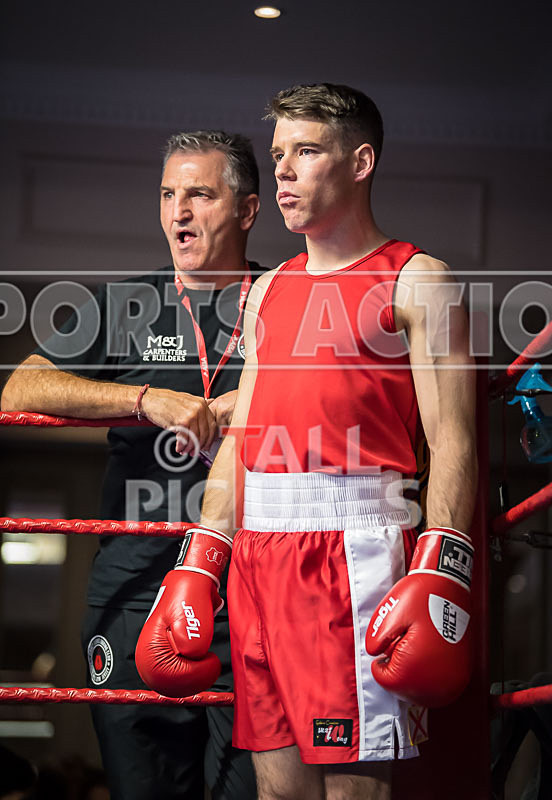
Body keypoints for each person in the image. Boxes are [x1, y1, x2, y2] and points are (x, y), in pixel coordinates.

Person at [136, 84, 479, 800]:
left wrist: (441, 563)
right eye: (279, 155)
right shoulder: (268, 291)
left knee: (353, 789)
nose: (284, 171)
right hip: (259, 558)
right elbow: (248, 432)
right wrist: (204, 554)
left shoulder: (419, 282)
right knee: (276, 790)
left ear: (360, 161)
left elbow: (454, 442)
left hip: (353, 556)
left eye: (307, 152)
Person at [1, 130, 262, 800]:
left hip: (251, 592)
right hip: (136, 592)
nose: (179, 211)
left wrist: (257, 401)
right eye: (168, 194)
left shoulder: (283, 306)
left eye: (200, 194)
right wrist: (145, 399)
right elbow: (20, 389)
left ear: (248, 210)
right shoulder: (127, 304)